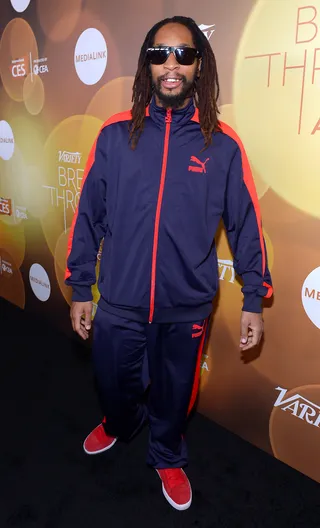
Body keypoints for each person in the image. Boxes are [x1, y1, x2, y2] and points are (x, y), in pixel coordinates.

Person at [65, 15, 273, 511]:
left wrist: (253, 298)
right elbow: (87, 216)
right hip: (119, 298)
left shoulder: (222, 145)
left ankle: (166, 454)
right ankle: (119, 423)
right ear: (147, 66)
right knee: (113, 384)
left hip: (187, 304)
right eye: (160, 55)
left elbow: (247, 225)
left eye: (183, 54)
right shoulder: (114, 137)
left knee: (176, 394)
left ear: (199, 65)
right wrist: (78, 287)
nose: (171, 65)